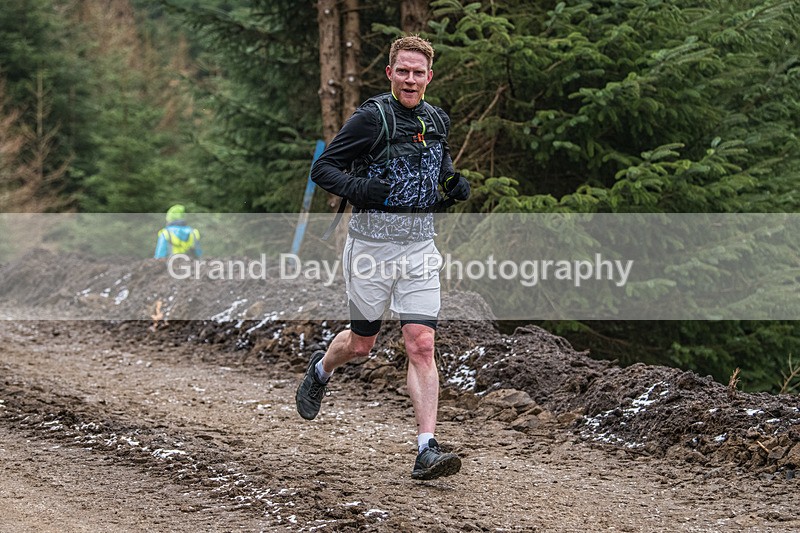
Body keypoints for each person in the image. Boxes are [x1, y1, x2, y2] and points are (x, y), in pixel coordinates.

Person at [295, 35, 470, 480]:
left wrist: (451, 187)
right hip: (370, 250)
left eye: (419, 73)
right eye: (403, 71)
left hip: (419, 248)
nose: (411, 79)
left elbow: (438, 170)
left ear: (429, 77)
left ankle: (426, 447)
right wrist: (360, 189)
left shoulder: (437, 120)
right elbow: (323, 169)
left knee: (422, 344)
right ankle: (321, 368)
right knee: (362, 344)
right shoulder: (370, 119)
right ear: (390, 73)